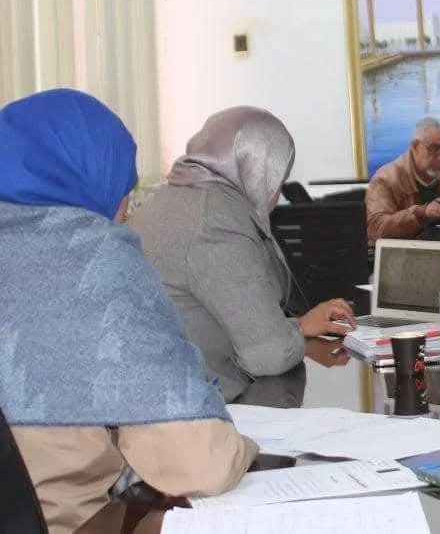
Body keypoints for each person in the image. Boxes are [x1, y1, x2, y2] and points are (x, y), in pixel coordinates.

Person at [0, 90, 256, 533]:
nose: (125, 208)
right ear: (97, 177)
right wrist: (247, 448)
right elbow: (197, 463)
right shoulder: (95, 257)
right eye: (127, 190)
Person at [130, 107, 356, 402]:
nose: (276, 194)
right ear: (255, 170)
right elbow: (268, 356)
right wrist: (296, 331)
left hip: (156, 397)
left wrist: (300, 326)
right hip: (201, 406)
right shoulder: (217, 222)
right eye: (276, 179)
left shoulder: (169, 199)